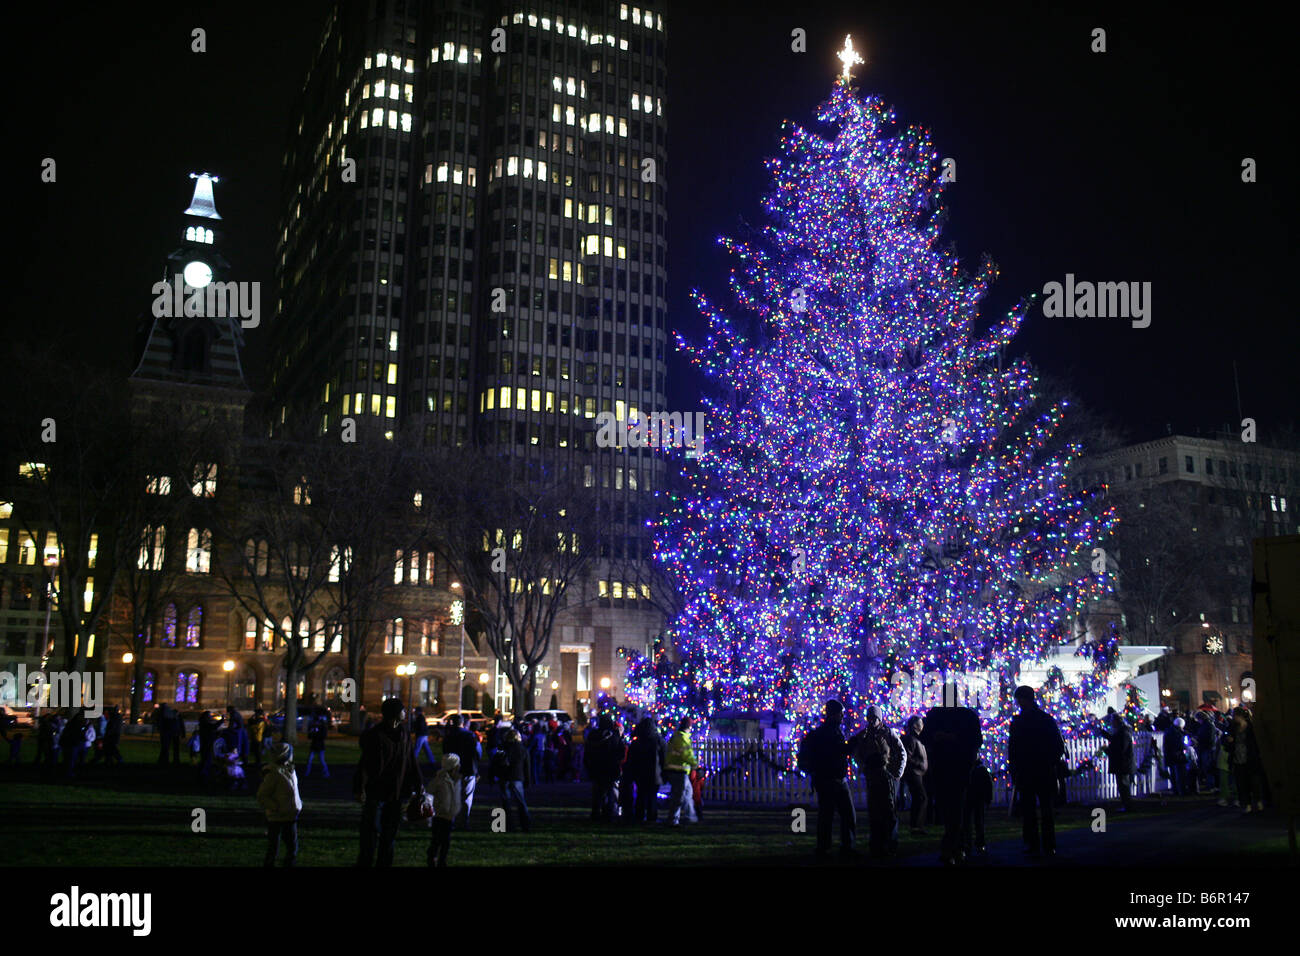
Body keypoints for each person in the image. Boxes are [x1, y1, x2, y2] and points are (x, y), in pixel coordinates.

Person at [354, 697, 424, 867]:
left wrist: (418, 783)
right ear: (394, 713)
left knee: (389, 832)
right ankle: (366, 862)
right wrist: (360, 788)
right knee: (370, 832)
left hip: (396, 790)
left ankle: (385, 862)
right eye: (402, 709)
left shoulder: (404, 734)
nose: (405, 712)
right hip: (376, 790)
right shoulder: (374, 736)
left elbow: (411, 760)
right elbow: (365, 764)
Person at [921, 694, 983, 865]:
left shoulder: (951, 715)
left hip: (956, 768)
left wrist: (951, 738)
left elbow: (976, 740)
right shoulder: (960, 715)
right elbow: (925, 737)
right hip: (948, 768)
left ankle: (954, 846)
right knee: (953, 809)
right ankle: (958, 845)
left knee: (955, 808)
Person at [1008, 685, 1065, 858]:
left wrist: (1015, 769)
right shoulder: (1045, 719)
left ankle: (1032, 843)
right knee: (1045, 809)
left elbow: (1014, 749)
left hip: (1028, 770)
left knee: (1030, 810)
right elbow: (1058, 746)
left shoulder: (1019, 722)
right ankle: (1049, 844)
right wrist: (1049, 761)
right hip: (1042, 770)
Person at [797, 700, 856, 859]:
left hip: (831, 779)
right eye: (841, 713)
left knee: (829, 815)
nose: (843, 717)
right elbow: (836, 753)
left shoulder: (829, 732)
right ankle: (842, 846)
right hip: (831, 779)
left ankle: (826, 847)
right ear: (834, 714)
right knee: (842, 815)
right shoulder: (828, 734)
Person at [848, 705, 906, 858]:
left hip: (888, 777)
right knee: (874, 812)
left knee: (889, 811)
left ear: (880, 718)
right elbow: (857, 754)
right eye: (870, 717)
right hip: (873, 777)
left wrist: (897, 772)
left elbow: (901, 752)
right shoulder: (864, 735)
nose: (872, 720)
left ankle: (891, 844)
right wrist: (864, 767)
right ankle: (877, 845)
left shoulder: (888, 733)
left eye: (875, 717)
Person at [257, 742, 302, 867]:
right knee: (274, 846)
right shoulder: (274, 773)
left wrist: (298, 803)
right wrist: (275, 807)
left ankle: (289, 863)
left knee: (292, 846)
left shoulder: (289, 770)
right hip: (277, 816)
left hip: (291, 814)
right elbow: (262, 795)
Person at [442, 714, 482, 829]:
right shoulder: (470, 736)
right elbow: (477, 753)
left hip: (452, 769)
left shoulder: (448, 736)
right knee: (467, 797)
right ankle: (463, 821)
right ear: (462, 723)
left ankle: (451, 821)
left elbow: (445, 752)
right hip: (468, 769)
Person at [584, 715, 625, 822]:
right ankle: (609, 813)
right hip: (611, 768)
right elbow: (621, 751)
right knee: (610, 792)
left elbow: (587, 751)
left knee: (597, 792)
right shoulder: (614, 736)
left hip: (596, 767)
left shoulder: (593, 735)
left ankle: (596, 812)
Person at [627, 717, 665, 824]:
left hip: (640, 773)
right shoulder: (658, 741)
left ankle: (639, 816)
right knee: (652, 796)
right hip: (655, 773)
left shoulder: (637, 741)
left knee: (641, 795)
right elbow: (663, 757)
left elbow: (631, 758)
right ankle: (651, 817)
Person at [1226, 708, 1264, 813]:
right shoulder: (1233, 728)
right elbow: (1226, 743)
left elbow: (1256, 743)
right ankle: (1247, 804)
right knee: (1242, 783)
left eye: (1235, 715)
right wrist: (1229, 742)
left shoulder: (1251, 727)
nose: (1234, 718)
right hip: (1238, 759)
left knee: (1255, 782)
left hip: (1250, 758)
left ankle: (1258, 801)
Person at [428, 752, 462, 867]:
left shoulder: (456, 779)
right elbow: (430, 793)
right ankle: (433, 856)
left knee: (445, 841)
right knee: (438, 839)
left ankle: (441, 859)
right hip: (439, 814)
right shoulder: (440, 780)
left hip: (449, 815)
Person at [1096, 712, 1135, 810]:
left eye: (1112, 721)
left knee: (1123, 786)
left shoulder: (1123, 733)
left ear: (1117, 721)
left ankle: (1127, 805)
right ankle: (1126, 804)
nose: (1111, 723)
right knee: (1122, 785)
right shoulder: (1121, 732)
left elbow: (1120, 749)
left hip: (1123, 764)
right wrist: (1104, 733)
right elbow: (1115, 740)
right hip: (1121, 764)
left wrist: (1107, 750)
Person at [664, 716, 698, 827]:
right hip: (679, 771)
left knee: (687, 794)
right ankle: (673, 820)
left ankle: (690, 817)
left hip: (677, 771)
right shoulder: (682, 738)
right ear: (689, 726)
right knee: (679, 796)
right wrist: (695, 764)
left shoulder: (677, 737)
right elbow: (686, 755)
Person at [497, 727, 532, 832]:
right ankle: (525, 825)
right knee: (521, 802)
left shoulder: (503, 748)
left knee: (506, 803)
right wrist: (527, 780)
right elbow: (527, 766)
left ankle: (507, 826)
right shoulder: (522, 749)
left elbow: (496, 763)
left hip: (504, 777)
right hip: (517, 777)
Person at [900, 715, 929, 834]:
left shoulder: (918, 739)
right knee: (921, 798)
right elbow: (908, 756)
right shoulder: (911, 739)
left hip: (918, 773)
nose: (922, 725)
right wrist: (920, 764)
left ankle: (917, 825)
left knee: (920, 798)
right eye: (920, 723)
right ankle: (916, 826)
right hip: (914, 773)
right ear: (915, 726)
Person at [964, 755, 993, 855]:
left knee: (971, 821)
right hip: (976, 798)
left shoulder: (975, 769)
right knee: (976, 821)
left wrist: (988, 797)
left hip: (973, 798)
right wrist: (988, 798)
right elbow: (989, 785)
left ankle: (971, 843)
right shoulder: (981, 769)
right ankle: (977, 843)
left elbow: (988, 785)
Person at [1163, 717, 1190, 797]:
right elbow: (1180, 745)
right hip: (1178, 756)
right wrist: (1185, 747)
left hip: (1170, 756)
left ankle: (1175, 790)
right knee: (1180, 774)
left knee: (1173, 774)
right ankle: (1181, 791)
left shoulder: (1169, 731)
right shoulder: (1177, 733)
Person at [60, 708, 89, 778]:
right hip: (73, 743)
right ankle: (69, 773)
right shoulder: (78, 724)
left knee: (71, 759)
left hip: (73, 743)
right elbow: (78, 733)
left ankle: (69, 771)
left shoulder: (73, 723)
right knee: (72, 759)